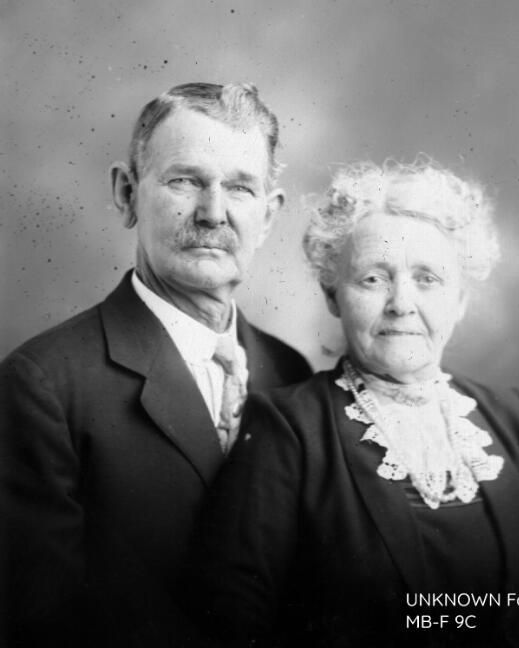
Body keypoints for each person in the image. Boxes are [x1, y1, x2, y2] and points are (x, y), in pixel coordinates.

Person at [198, 158, 519, 647]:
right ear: (333, 294)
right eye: (373, 279)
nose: (401, 303)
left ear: (460, 299)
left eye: (427, 278)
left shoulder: (512, 420)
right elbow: (232, 623)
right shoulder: (287, 429)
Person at [0, 82, 311, 648]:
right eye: (184, 181)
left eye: (240, 187)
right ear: (127, 194)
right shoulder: (43, 386)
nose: (212, 213)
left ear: (268, 216)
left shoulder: (291, 371)